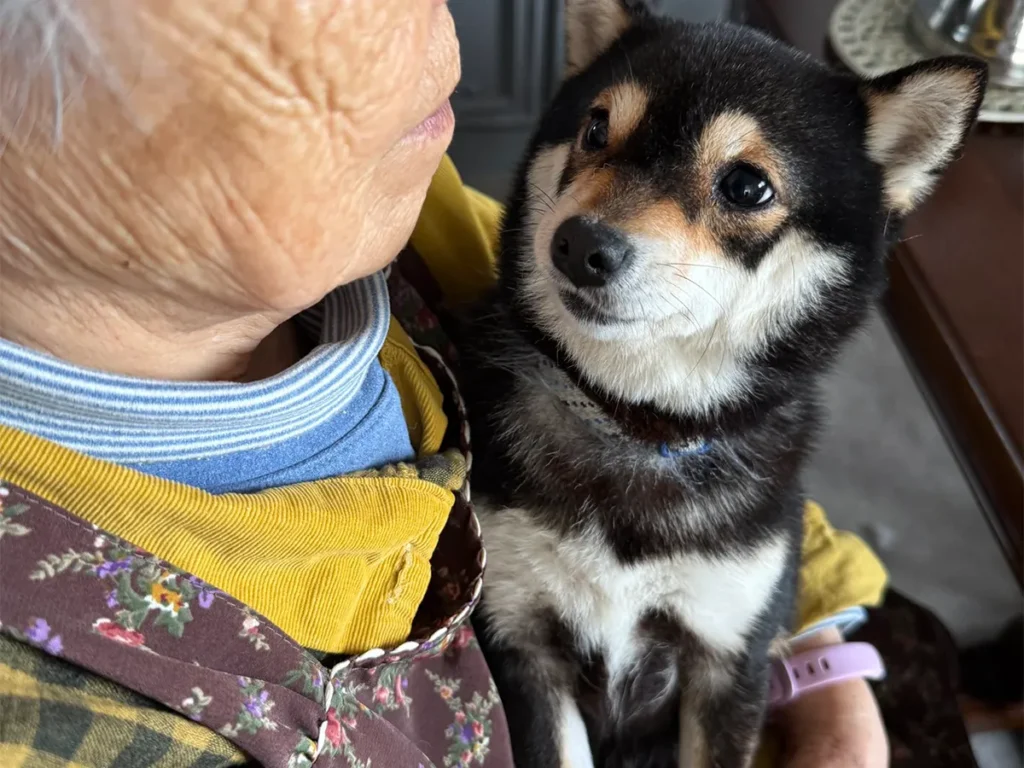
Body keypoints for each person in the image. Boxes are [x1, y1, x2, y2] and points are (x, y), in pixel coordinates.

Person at [0, 1, 889, 766]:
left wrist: (819, 650)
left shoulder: (419, 220)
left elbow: (694, 414)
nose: (442, 34)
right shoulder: (49, 717)